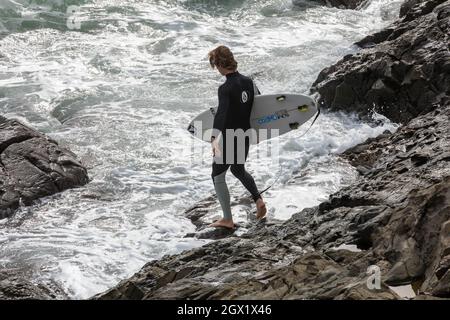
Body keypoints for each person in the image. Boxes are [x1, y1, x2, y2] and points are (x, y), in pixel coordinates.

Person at [208, 45, 267, 229]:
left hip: (229, 136)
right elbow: (259, 103)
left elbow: (222, 115)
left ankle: (227, 219)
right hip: (245, 133)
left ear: (219, 64)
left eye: (215, 64)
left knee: (217, 174)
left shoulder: (225, 88)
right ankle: (258, 200)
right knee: (238, 169)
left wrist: (214, 139)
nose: (216, 68)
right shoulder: (249, 81)